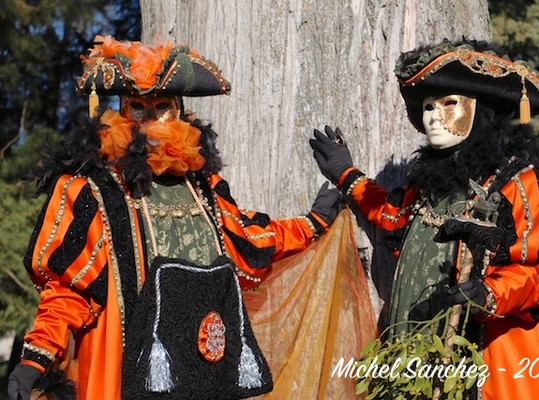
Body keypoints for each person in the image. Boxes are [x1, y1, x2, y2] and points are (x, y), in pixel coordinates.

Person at [8, 36, 342, 400]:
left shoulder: (203, 187)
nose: (150, 118)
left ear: (180, 109)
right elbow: (69, 291)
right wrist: (34, 361)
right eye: (137, 106)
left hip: (204, 375)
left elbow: (247, 242)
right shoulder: (94, 190)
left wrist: (313, 222)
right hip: (124, 374)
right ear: (121, 110)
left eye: (162, 106)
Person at [310, 39, 539, 399]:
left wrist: (488, 294)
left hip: (482, 358)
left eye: (448, 104)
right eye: (427, 107)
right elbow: (395, 217)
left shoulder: (524, 183)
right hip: (411, 351)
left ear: (483, 111)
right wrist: (346, 175)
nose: (432, 117)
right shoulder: (430, 187)